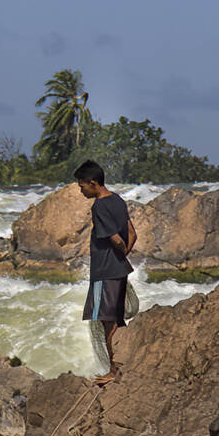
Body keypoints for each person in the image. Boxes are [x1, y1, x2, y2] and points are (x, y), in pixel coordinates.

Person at [73, 160, 136, 385]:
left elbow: (117, 239)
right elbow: (132, 233)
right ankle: (123, 365)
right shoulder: (118, 200)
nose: (81, 191)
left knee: (107, 322)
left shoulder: (99, 207)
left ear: (93, 183)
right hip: (118, 270)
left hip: (105, 272)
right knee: (117, 321)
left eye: (82, 187)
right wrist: (123, 256)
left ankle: (114, 371)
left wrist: (119, 251)